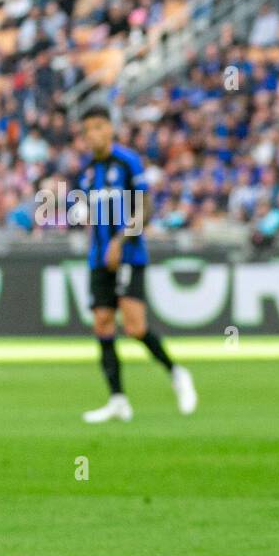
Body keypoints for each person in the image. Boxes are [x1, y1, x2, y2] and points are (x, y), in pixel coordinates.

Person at [75, 106, 197, 422]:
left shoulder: (127, 162)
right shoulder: (88, 172)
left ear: (110, 130)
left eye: (99, 127)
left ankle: (177, 372)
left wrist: (120, 241)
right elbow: (88, 213)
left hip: (128, 254)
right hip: (98, 257)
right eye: (88, 129)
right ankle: (117, 399)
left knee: (134, 327)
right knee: (102, 323)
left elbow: (144, 207)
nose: (93, 134)